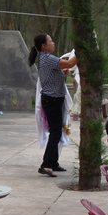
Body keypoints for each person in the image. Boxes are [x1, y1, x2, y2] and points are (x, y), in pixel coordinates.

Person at [28, 33, 78, 177]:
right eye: (50, 41)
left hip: (55, 100)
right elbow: (70, 63)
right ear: (44, 46)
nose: (53, 42)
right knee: (55, 132)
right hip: (52, 100)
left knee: (57, 132)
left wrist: (64, 73)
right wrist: (80, 52)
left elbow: (61, 72)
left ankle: (53, 162)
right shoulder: (48, 58)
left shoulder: (47, 59)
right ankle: (46, 164)